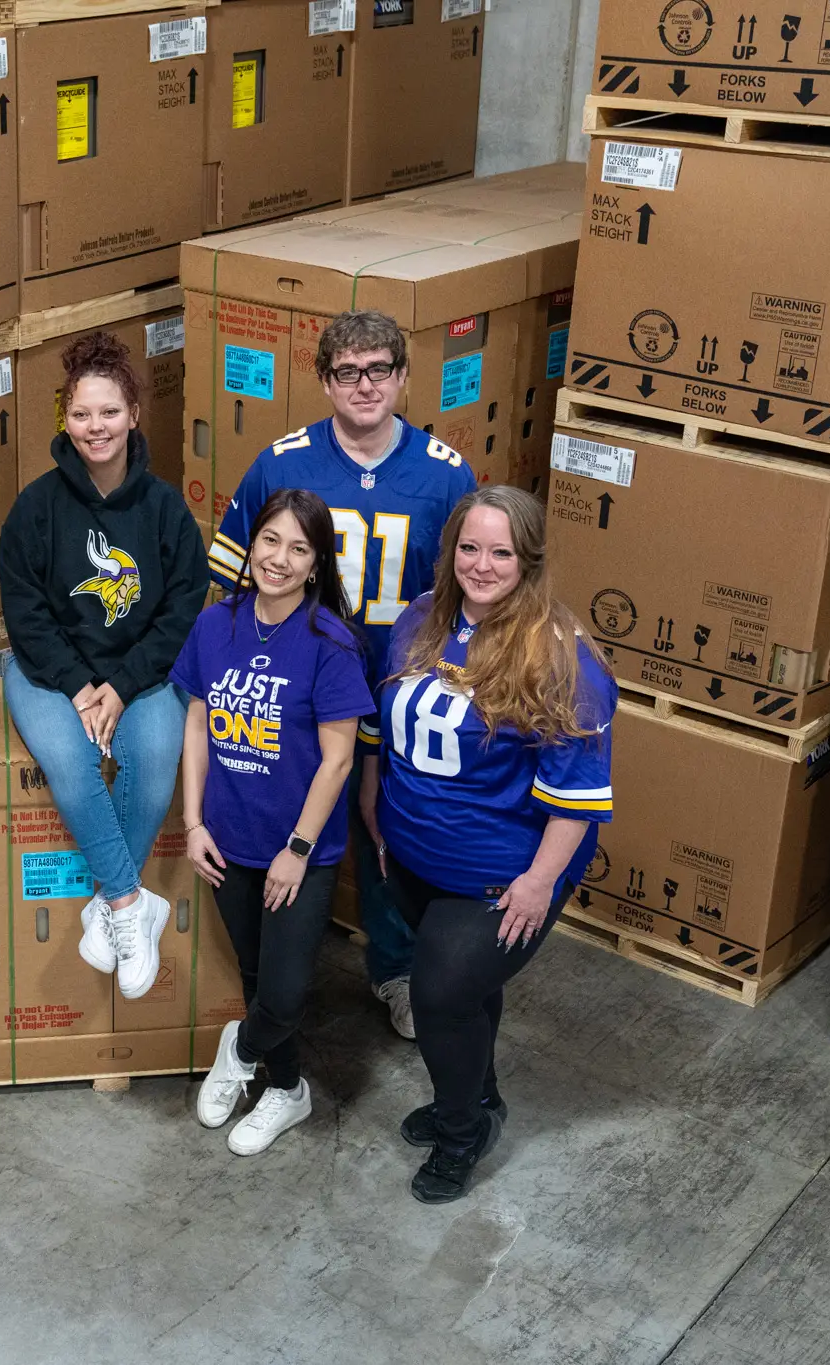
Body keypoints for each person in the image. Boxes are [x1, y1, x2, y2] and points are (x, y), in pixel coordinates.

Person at [207, 308, 477, 1043]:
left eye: (379, 369)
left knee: (388, 827)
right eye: (348, 371)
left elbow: (466, 592)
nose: (365, 385)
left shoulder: (446, 474)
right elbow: (232, 577)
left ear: (403, 377)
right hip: (294, 684)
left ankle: (395, 969)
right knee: (284, 803)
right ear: (325, 380)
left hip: (398, 685)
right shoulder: (282, 462)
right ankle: (280, 958)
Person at [361, 486, 614, 1204]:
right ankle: (477, 1096)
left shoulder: (563, 659)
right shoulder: (420, 617)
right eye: (469, 547)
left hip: (502, 875)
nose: (481, 564)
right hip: (412, 852)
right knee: (466, 993)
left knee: (441, 992)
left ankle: (461, 1129)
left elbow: (579, 795)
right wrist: (374, 809)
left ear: (528, 561)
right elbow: (385, 726)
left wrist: (538, 883)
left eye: (500, 552)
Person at [0, 330, 204, 999]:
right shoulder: (35, 508)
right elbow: (26, 614)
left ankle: (103, 905)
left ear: (135, 415)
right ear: (66, 419)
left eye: (110, 412)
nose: (96, 427)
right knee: (72, 761)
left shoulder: (166, 508)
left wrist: (121, 684)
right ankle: (125, 903)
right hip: (47, 672)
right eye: (82, 414)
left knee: (153, 765)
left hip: (141, 671)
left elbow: (181, 609)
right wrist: (82, 687)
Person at [174, 489, 373, 1155]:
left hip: (300, 849)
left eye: (298, 547)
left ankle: (239, 1050)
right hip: (228, 839)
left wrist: (297, 848)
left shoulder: (331, 642)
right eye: (269, 541)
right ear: (250, 544)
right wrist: (194, 821)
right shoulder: (216, 622)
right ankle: (286, 1088)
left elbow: (339, 759)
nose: (279, 558)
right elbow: (198, 725)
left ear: (317, 563)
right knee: (258, 974)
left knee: (283, 993)